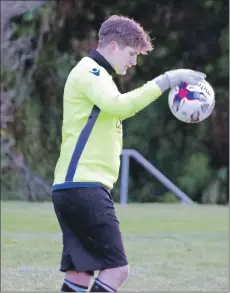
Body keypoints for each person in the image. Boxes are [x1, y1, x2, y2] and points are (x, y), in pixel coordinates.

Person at [51, 15, 206, 292]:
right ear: (112, 46)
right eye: (132, 53)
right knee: (117, 270)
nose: (134, 62)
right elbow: (120, 106)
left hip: (75, 186)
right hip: (83, 186)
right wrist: (168, 79)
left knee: (80, 275)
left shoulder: (99, 76)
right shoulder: (90, 72)